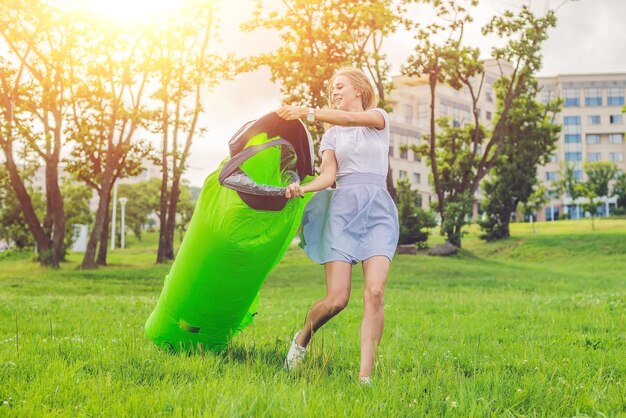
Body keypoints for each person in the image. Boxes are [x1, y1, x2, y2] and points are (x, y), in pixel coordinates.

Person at [276, 67, 399, 385]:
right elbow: (329, 176)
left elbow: (351, 120)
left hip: (378, 212)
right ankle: (302, 338)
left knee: (374, 292)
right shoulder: (331, 135)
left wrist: (309, 112)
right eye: (331, 88)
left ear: (359, 89)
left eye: (340, 86)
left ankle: (365, 377)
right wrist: (301, 188)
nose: (334, 91)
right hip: (342, 213)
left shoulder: (377, 118)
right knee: (337, 300)